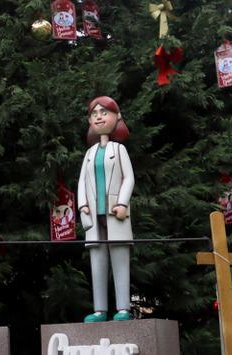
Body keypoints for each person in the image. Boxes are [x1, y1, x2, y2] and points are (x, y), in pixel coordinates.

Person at [76, 96, 134, 323]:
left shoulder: (119, 150)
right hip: (93, 214)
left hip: (115, 213)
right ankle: (99, 309)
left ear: (117, 116)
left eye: (104, 112)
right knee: (97, 261)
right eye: (94, 113)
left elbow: (129, 178)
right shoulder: (89, 154)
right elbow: (82, 181)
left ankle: (123, 308)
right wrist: (82, 204)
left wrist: (122, 203)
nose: (99, 117)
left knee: (120, 259)